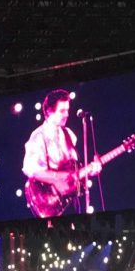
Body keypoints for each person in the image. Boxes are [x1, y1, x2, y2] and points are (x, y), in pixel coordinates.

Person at [22, 89, 101, 217]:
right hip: (51, 201)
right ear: (49, 112)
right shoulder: (39, 136)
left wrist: (90, 170)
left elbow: (74, 170)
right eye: (62, 111)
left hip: (72, 200)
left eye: (67, 110)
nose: (66, 115)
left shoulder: (69, 134)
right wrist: (59, 178)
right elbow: (31, 170)